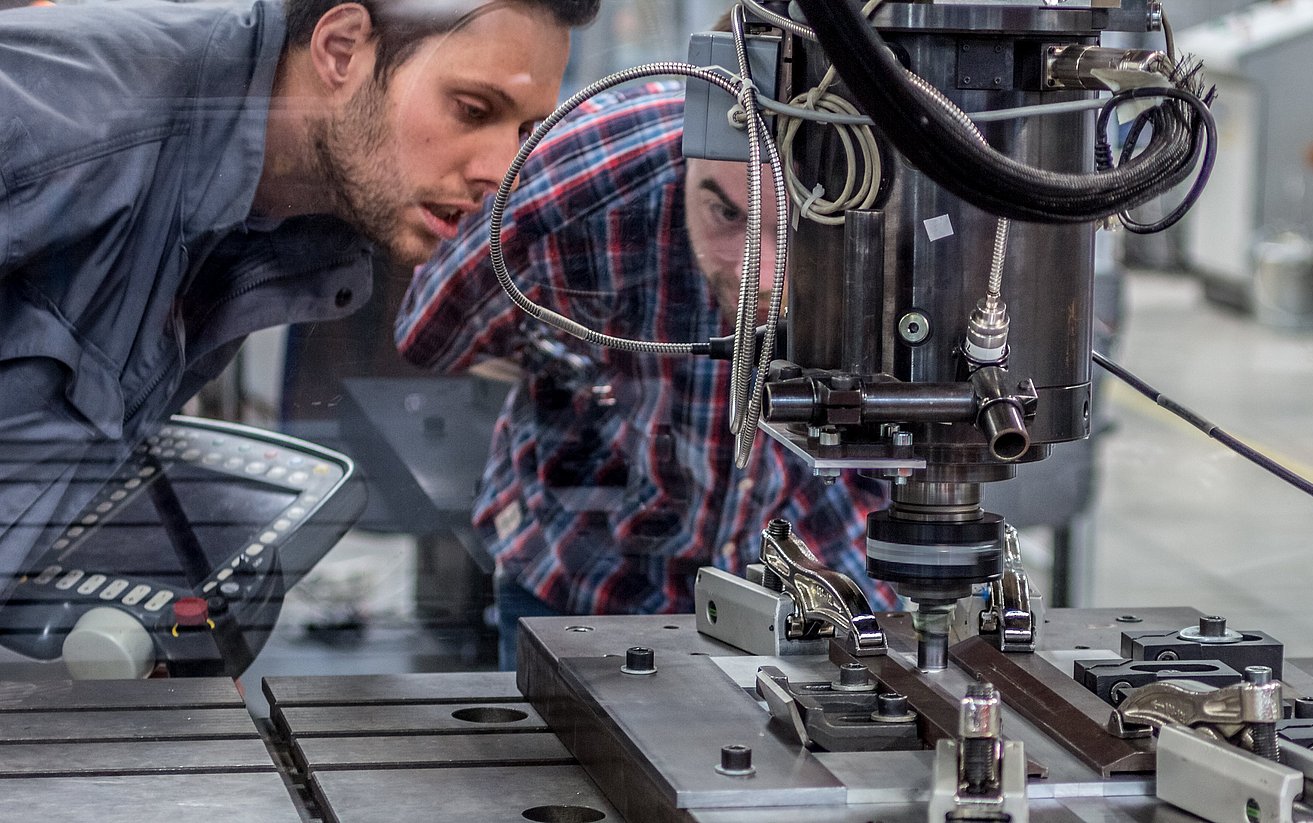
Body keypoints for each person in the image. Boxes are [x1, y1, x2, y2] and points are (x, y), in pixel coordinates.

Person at [0, 0, 599, 590]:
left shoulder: (293, 207)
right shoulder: (60, 112)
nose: (502, 171)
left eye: (524, 130)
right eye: (471, 109)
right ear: (340, 50)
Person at [395, 83, 897, 667]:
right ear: (689, 161)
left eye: (800, 225)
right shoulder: (586, 180)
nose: (761, 274)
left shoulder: (908, 190)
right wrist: (554, 334)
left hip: (821, 572)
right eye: (726, 214)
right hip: (587, 577)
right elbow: (428, 336)